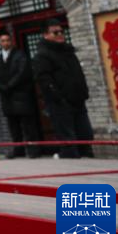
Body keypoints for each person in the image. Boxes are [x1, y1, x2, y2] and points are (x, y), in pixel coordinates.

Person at [32, 20, 94, 159]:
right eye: (55, 32)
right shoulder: (42, 55)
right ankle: (72, 164)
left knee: (85, 134)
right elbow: (44, 80)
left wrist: (84, 92)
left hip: (78, 99)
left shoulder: (68, 51)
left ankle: (87, 157)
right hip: (60, 103)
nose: (60, 34)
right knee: (68, 137)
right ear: (46, 35)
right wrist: (59, 98)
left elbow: (78, 74)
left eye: (61, 31)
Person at [0, 33, 41, 159]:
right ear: (0, 43)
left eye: (7, 40)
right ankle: (18, 149)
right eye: (2, 41)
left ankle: (33, 150)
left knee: (28, 125)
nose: (5, 43)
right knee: (13, 126)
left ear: (12, 41)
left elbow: (22, 73)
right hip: (7, 97)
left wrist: (9, 85)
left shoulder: (20, 55)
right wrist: (1, 86)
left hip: (21, 95)